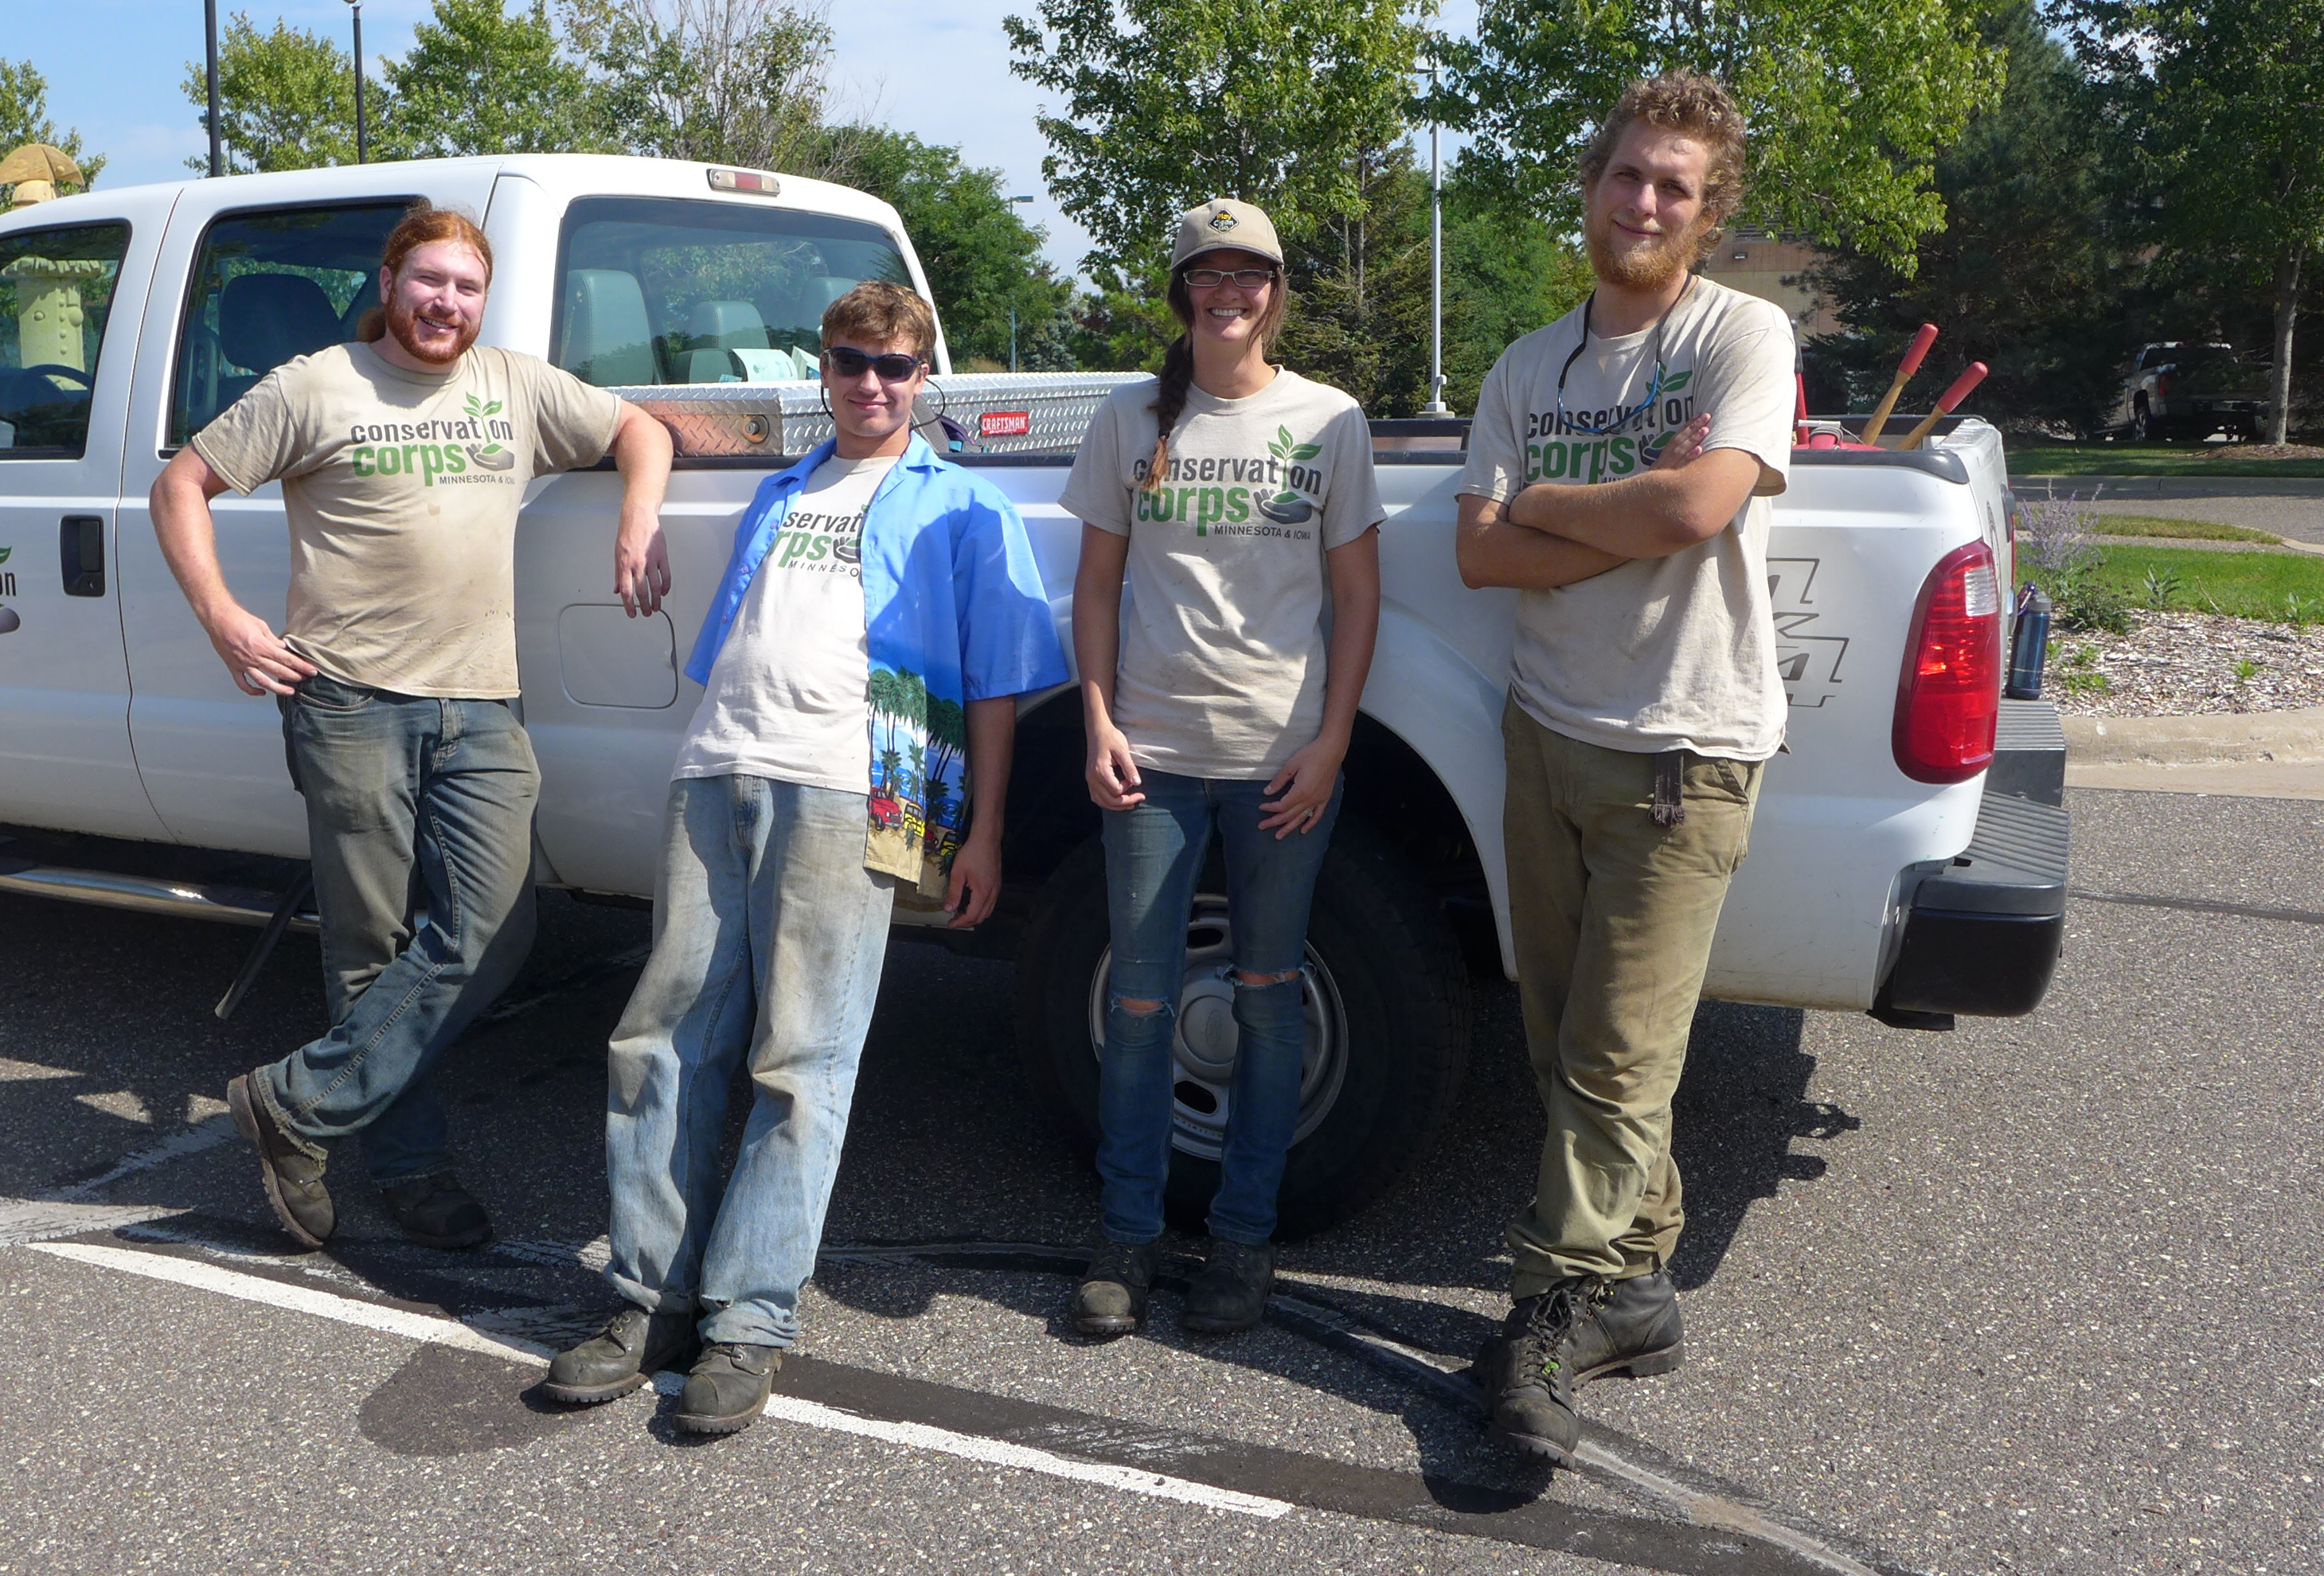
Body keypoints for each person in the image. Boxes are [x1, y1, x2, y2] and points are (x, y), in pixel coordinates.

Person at [540, 280, 1070, 1436]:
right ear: (822, 371)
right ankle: (646, 1299)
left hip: (851, 789)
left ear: (926, 380)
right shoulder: (781, 490)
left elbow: (998, 683)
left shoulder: (963, 510)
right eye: (850, 362)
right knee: (662, 1036)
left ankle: (748, 1318)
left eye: (894, 367)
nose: (870, 385)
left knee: (802, 1059)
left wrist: (979, 829)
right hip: (718, 769)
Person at [150, 203, 674, 1253]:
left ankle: (294, 1106)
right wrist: (223, 618)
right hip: (345, 699)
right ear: (390, 286)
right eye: (429, 281)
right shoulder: (317, 384)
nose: (447, 302)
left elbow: (638, 428)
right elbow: (181, 485)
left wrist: (637, 512)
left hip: (481, 701)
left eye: (467, 287)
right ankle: (409, 1167)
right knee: (368, 947)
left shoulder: (515, 384)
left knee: (495, 927)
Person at [1450, 72, 1791, 1462]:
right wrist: (1631, 518)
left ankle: (1547, 1307)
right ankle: (1636, 1287)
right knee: (1556, 1033)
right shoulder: (1527, 366)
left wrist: (1546, 502)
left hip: (1682, 744)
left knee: (1615, 1054)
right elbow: (1478, 552)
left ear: (1708, 215)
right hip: (1549, 729)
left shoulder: (1741, 335)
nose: (1644, 202)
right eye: (1627, 176)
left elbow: (1705, 500)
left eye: (1676, 186)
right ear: (1589, 188)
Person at [1055, 198, 1381, 1340]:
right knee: (1140, 1004)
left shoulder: (1328, 422)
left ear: (1277, 293)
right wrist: (1096, 719)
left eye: (1249, 275)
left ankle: (1243, 1245)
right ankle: (1128, 1237)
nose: (1227, 293)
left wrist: (1333, 740)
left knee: (1266, 999)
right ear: (1183, 293)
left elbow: (1356, 596)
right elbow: (1095, 587)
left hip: (1282, 760)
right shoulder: (1131, 419)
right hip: (1153, 759)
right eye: (1207, 275)